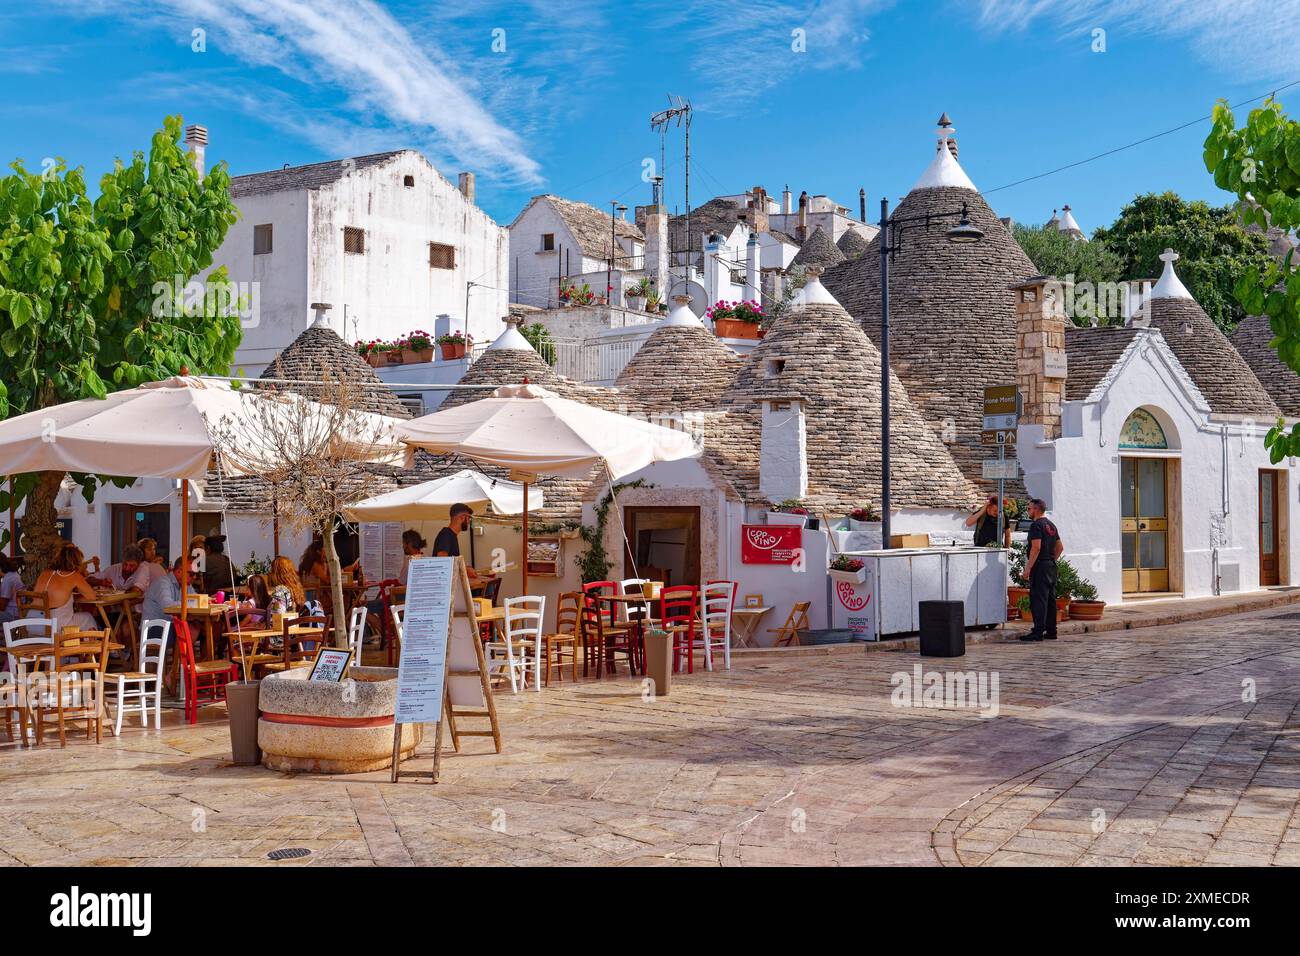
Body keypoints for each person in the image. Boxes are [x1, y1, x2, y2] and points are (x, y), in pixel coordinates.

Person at [1022, 498, 1064, 642]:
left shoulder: (1036, 525)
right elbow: (1060, 547)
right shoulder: (1051, 525)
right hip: (1050, 566)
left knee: (1038, 600)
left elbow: (1036, 547)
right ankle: (1051, 631)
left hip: (1039, 566)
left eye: (1029, 509)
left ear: (1036, 509)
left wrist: (1028, 568)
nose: (1028, 511)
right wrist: (1051, 560)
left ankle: (1038, 632)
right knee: (1050, 600)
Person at [34, 542, 99, 632]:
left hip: (33, 622)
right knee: (88, 618)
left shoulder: (44, 573)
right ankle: (90, 641)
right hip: (54, 626)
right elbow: (92, 596)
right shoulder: (74, 576)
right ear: (77, 562)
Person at [435, 503, 485, 582]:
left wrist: (465, 568)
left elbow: (452, 563)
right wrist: (465, 569)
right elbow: (442, 561)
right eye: (469, 518)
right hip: (444, 585)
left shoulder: (451, 535)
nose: (469, 522)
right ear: (462, 517)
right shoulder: (446, 534)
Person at [141, 556, 192, 626]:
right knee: (192, 628)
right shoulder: (162, 583)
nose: (194, 577)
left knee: (196, 626)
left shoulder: (186, 584)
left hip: (170, 624)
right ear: (179, 571)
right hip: (153, 627)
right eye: (191, 574)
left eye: (196, 574)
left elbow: (196, 599)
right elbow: (167, 606)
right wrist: (190, 603)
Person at [0, 555, 24, 625]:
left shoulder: (8, 579)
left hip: (12, 615)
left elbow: (2, 607)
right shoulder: (13, 574)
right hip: (18, 612)